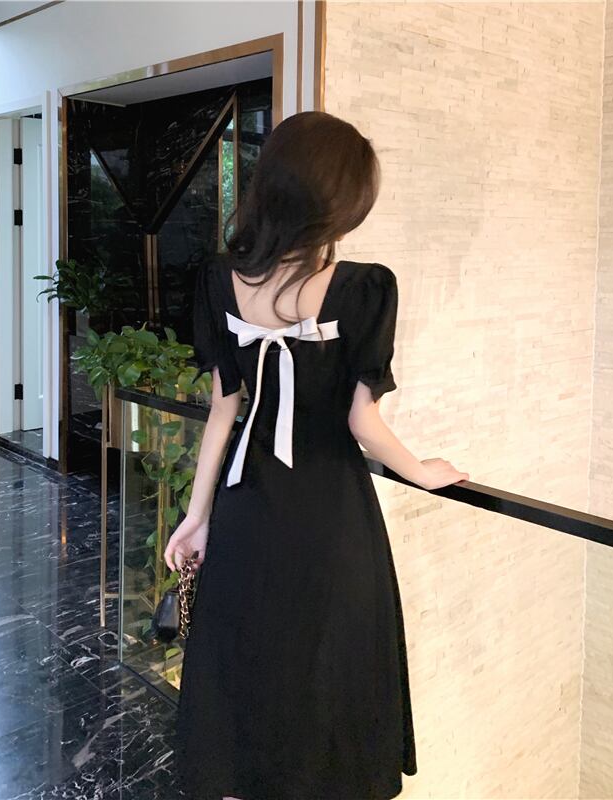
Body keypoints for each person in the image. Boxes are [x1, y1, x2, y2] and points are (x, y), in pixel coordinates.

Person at [164, 110, 469, 800]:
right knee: (328, 670)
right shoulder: (364, 288)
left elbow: (224, 410)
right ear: (338, 206)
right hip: (331, 514)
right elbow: (364, 423)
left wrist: (197, 516)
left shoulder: (220, 279)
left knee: (247, 663)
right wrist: (422, 471)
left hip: (246, 506)